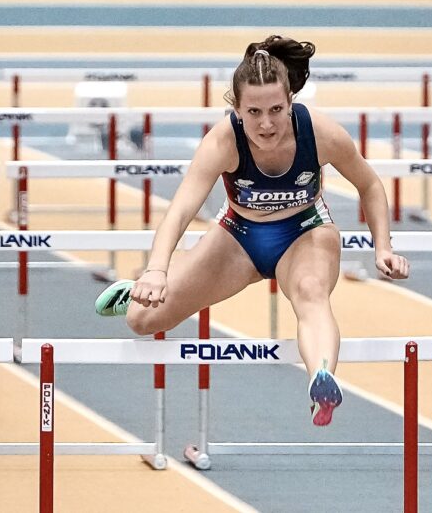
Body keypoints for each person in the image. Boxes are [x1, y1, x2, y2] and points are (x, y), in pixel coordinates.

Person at [95, 35, 409, 426]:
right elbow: (179, 212)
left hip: (305, 232)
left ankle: (321, 380)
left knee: (311, 294)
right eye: (254, 112)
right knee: (142, 321)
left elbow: (370, 185)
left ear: (291, 100)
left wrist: (383, 247)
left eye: (277, 109)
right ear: (236, 108)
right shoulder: (222, 142)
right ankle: (142, 289)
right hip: (239, 237)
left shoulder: (320, 133)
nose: (267, 123)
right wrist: (155, 270)